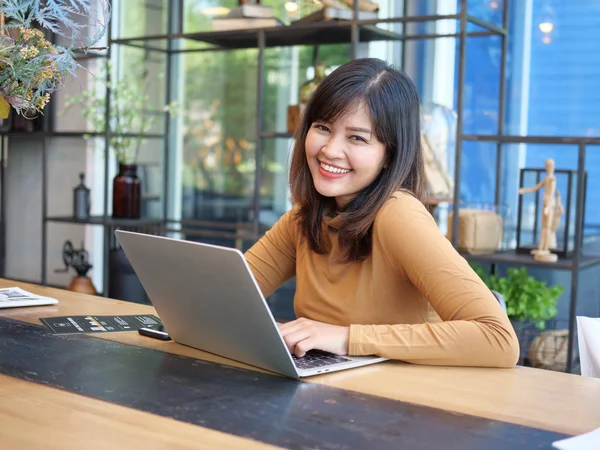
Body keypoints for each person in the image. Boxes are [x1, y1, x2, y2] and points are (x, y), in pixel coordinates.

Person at [245, 58, 519, 368]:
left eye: (357, 137)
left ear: (390, 154)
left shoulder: (398, 215)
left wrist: (347, 338)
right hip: (325, 395)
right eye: (322, 128)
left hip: (399, 403)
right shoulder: (305, 217)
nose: (330, 150)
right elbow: (226, 295)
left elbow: (498, 339)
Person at [518, 158, 559, 262]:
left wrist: (548, 207)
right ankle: (541, 247)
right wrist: (524, 190)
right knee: (544, 227)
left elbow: (551, 193)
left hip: (549, 203)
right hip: (545, 202)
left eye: (549, 166)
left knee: (547, 228)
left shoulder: (552, 179)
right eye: (546, 166)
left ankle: (545, 248)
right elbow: (535, 188)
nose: (547, 168)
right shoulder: (546, 179)